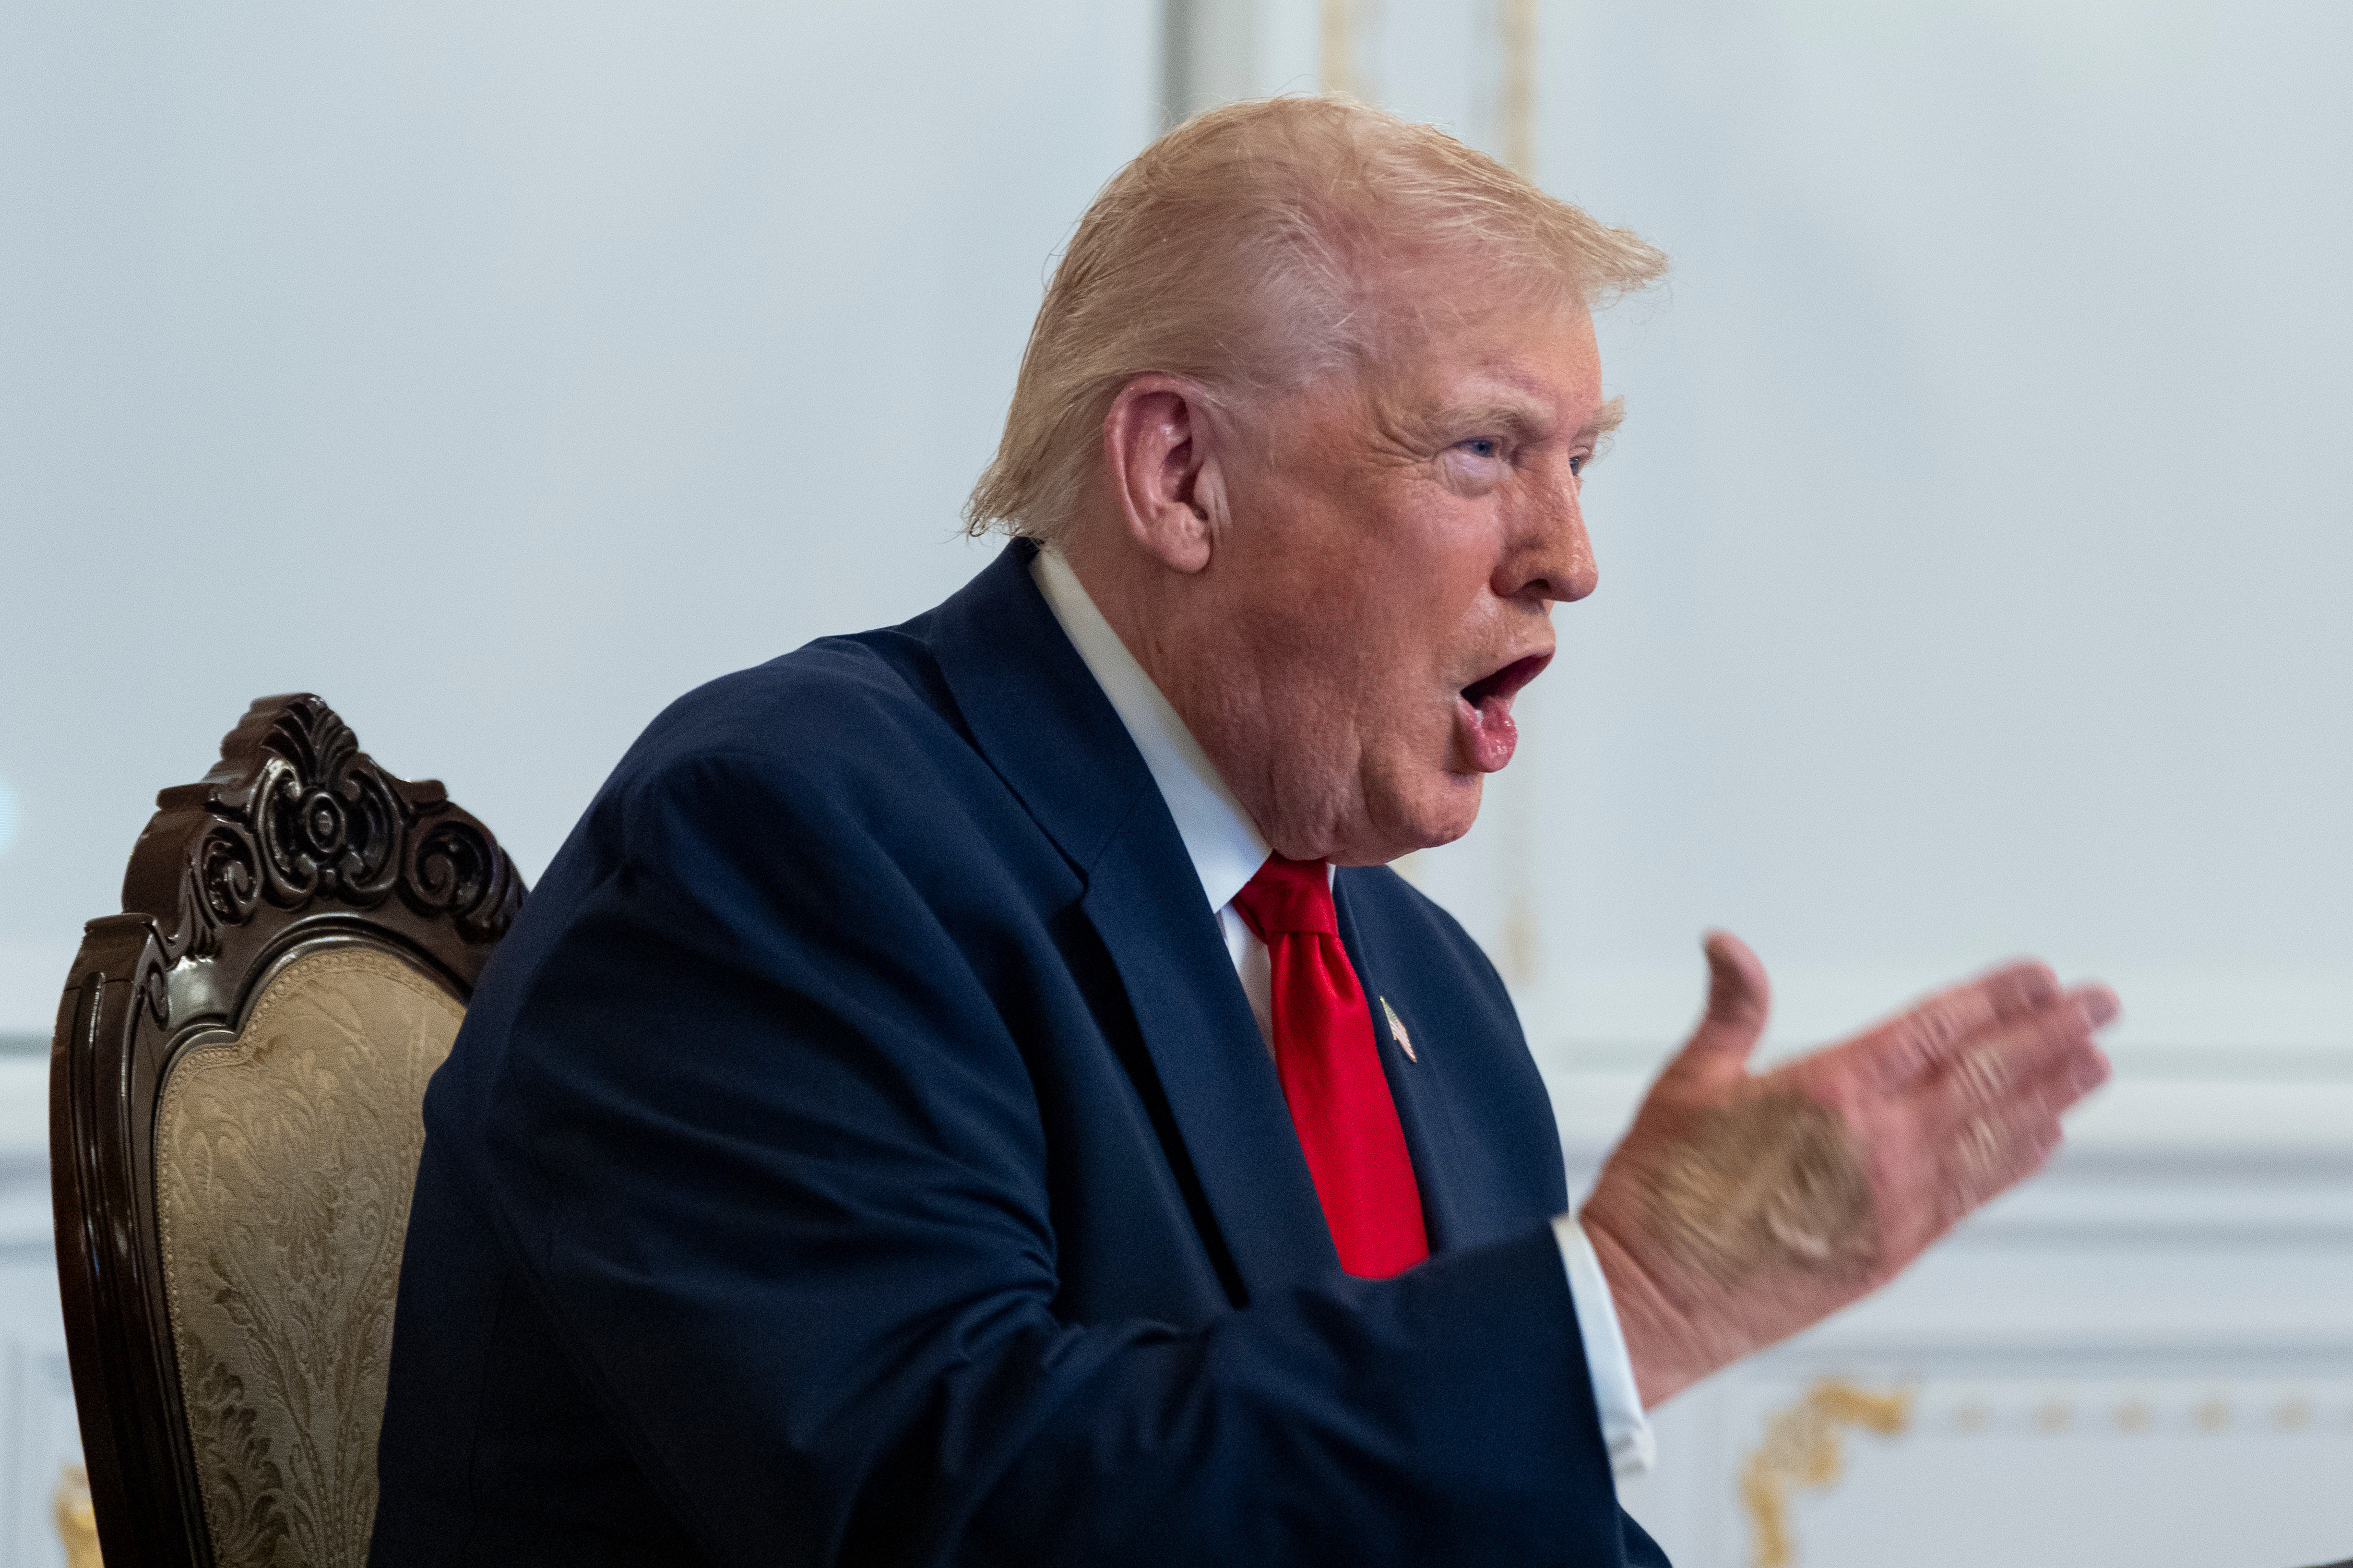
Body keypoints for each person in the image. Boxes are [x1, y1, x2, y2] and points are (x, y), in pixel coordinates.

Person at [371, 96, 2117, 1566]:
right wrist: (1638, 1300)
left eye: (1580, 460)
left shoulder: (1429, 995)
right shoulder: (785, 839)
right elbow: (946, 1507)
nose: (1568, 556)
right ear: (1178, 476)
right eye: (1481, 448)